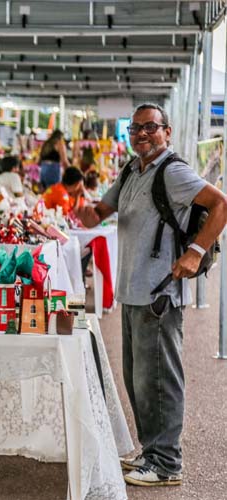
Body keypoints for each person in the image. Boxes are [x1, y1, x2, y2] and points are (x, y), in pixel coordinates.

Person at [73, 103, 227, 487]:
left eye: (151, 128)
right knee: (138, 378)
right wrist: (81, 208)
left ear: (167, 132)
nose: (142, 134)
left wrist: (195, 252)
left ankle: (166, 463)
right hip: (132, 291)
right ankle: (151, 452)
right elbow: (99, 214)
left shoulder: (173, 172)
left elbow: (221, 204)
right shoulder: (131, 170)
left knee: (159, 378)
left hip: (159, 291)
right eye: (136, 129)